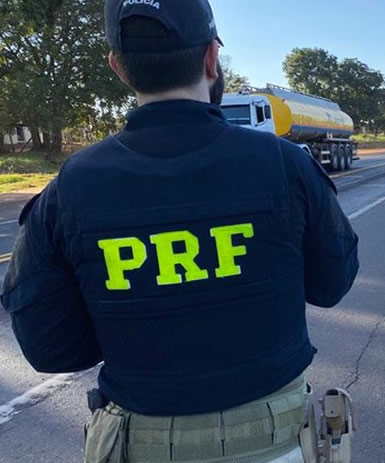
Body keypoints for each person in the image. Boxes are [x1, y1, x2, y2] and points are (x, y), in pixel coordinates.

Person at [0, 0, 359, 461]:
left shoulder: (70, 186)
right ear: (211, 57)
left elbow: (52, 349)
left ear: (119, 68)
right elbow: (333, 284)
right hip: (280, 442)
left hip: (140, 444)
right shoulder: (286, 164)